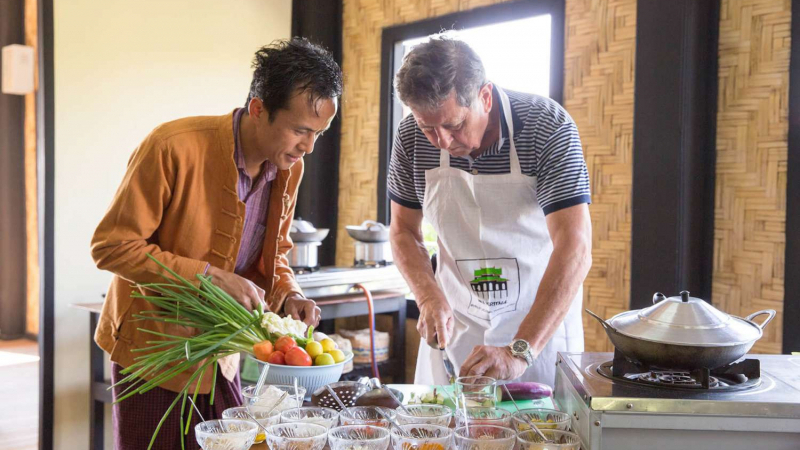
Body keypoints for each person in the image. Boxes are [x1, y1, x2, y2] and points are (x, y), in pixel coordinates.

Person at [90, 38, 342, 449]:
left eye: (319, 133)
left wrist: (289, 293)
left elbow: (275, 252)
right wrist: (209, 277)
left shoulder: (288, 167)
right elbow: (112, 246)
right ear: (258, 108)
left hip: (222, 356)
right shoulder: (172, 146)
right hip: (154, 351)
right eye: (300, 130)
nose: (309, 147)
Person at [388, 36, 592, 387]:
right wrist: (427, 295)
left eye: (454, 125)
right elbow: (403, 230)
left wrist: (520, 350)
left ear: (485, 96)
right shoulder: (410, 137)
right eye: (427, 127)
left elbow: (575, 246)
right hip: (456, 322)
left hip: (536, 326)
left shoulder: (546, 126)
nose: (442, 142)